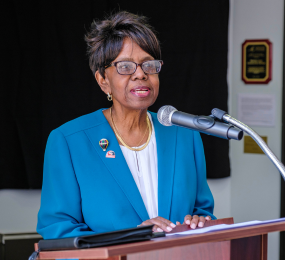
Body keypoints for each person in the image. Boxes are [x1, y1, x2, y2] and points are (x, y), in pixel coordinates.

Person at [37, 11, 215, 240]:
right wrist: (132, 237)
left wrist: (199, 221)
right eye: (125, 66)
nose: (140, 74)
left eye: (148, 65)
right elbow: (57, 229)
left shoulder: (185, 135)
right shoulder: (68, 141)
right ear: (103, 80)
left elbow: (202, 209)